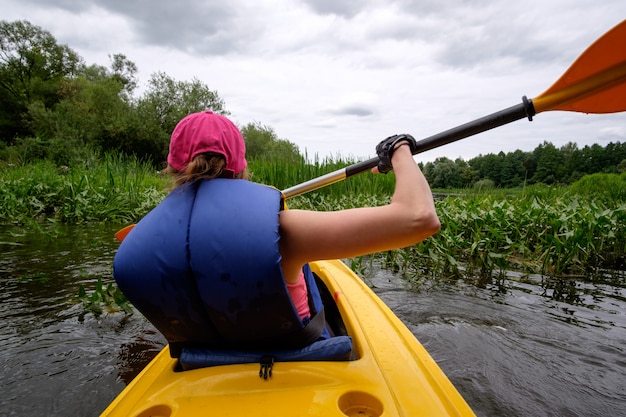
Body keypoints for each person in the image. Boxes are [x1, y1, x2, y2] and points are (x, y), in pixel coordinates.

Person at [113, 110, 440, 358]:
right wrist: (398, 149)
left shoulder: (135, 243)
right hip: (297, 366)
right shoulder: (285, 233)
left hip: (201, 367)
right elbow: (419, 217)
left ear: (171, 168)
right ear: (241, 168)